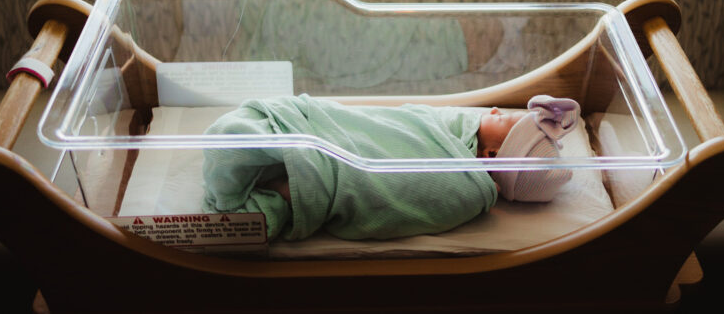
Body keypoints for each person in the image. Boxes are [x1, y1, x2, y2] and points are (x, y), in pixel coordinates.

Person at [202, 94, 580, 241]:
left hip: (334, 171)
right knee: (234, 137)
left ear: (492, 155)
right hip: (332, 131)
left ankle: (288, 190)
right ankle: (287, 174)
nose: (495, 111)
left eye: (504, 120)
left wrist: (335, 177)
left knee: (235, 143)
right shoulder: (453, 130)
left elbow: (403, 195)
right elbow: (392, 123)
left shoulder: (463, 190)